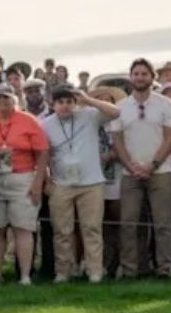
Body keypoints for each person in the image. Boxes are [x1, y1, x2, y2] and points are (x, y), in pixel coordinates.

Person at [41, 87, 119, 282]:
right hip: (61, 183)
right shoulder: (45, 125)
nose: (65, 106)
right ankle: (63, 271)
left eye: (69, 101)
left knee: (91, 228)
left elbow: (115, 112)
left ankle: (95, 271)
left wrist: (88, 100)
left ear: (75, 102)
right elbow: (42, 155)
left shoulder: (89, 115)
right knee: (62, 230)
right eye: (60, 102)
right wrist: (46, 177)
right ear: (53, 104)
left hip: (91, 182)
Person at [111, 59, 171, 278]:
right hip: (130, 172)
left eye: (144, 74)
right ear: (130, 77)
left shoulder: (165, 104)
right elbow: (117, 140)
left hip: (160, 172)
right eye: (136, 73)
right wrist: (131, 165)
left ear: (152, 77)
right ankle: (132, 268)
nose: (140, 77)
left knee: (162, 223)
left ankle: (164, 268)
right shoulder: (121, 107)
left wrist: (153, 165)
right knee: (130, 223)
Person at [0, 85, 49, 285]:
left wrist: (38, 182)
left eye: (7, 98)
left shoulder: (28, 120)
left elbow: (42, 152)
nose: (3, 102)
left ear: (15, 99)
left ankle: (25, 276)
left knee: (23, 227)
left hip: (22, 178)